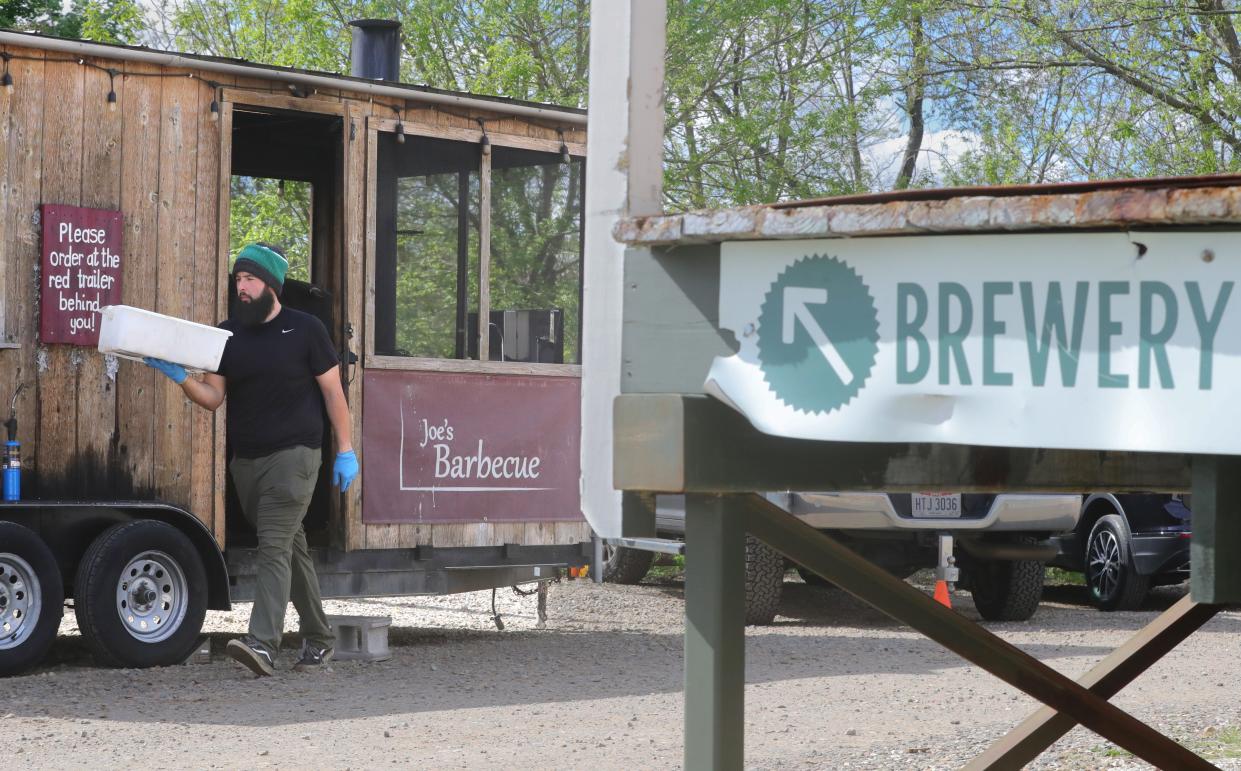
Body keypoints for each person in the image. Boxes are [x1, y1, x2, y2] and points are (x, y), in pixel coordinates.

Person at [145, 242, 359, 676]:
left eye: (250, 280)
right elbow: (213, 397)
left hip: (296, 456)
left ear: (271, 286)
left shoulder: (306, 329)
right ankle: (319, 640)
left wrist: (346, 449)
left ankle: (262, 644)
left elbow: (334, 393)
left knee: (273, 546)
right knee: (291, 547)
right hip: (247, 463)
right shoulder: (227, 336)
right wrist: (182, 378)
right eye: (238, 279)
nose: (241, 287)